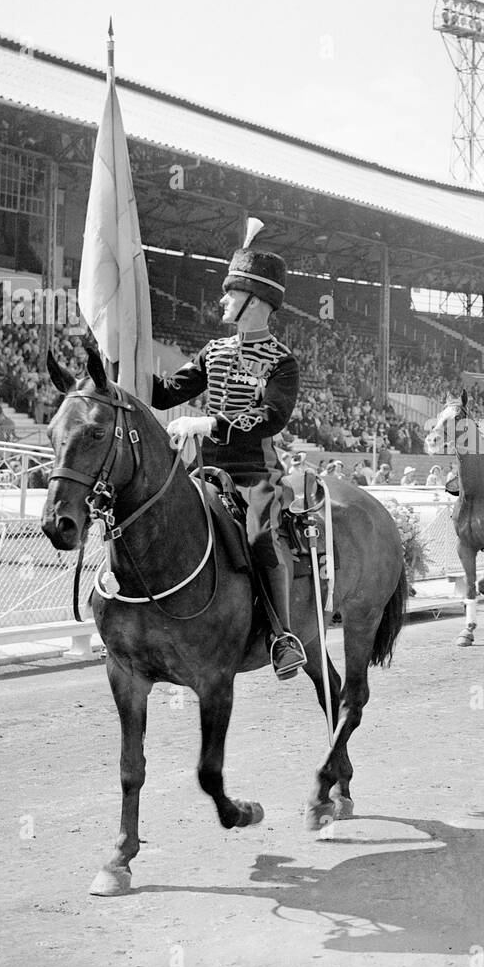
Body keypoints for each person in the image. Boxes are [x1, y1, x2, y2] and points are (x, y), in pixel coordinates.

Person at [151, 223, 307, 681]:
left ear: (252, 301)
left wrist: (210, 423)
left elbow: (272, 417)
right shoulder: (212, 351)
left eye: (229, 294)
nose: (221, 302)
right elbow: (165, 393)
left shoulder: (281, 362)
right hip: (203, 470)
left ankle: (281, 636)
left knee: (260, 535)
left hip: (254, 472)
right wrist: (128, 361)